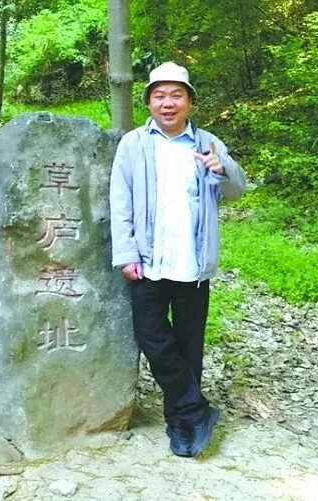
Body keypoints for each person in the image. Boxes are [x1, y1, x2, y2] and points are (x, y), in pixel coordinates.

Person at [109, 62, 246, 457]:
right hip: (148, 263)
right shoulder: (134, 144)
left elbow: (237, 190)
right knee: (152, 338)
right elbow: (120, 202)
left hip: (192, 264)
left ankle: (183, 424)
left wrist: (224, 168)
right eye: (159, 96)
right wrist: (126, 254)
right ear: (149, 102)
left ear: (189, 101)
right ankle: (195, 408)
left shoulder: (207, 143)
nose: (167, 103)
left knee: (189, 346)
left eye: (176, 95)